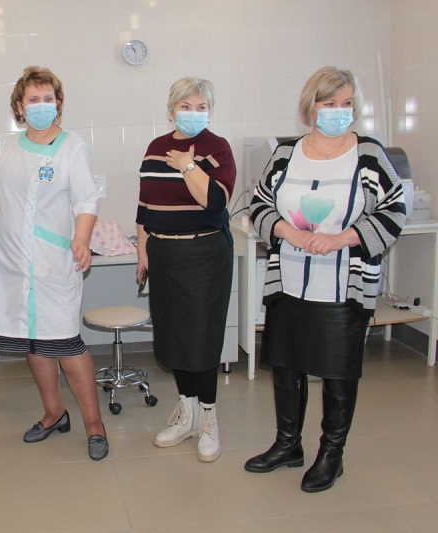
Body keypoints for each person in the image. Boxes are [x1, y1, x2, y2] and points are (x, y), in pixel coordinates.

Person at [244, 67, 406, 492]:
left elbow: (394, 211)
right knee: (286, 364)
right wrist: (289, 232)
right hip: (289, 280)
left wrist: (342, 239)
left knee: (338, 371)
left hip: (343, 284)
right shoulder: (286, 153)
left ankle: (332, 454)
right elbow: (259, 204)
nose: (339, 111)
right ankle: (287, 444)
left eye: (346, 103)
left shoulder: (368, 154)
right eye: (330, 103)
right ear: (311, 106)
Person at [0, 66, 108, 460]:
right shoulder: (7, 148)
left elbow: (86, 201)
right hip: (11, 261)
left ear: (58, 103)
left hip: (53, 260)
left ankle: (94, 424)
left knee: (66, 343)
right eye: (32, 99)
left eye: (47, 98)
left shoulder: (71, 146)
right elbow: (0, 206)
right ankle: (54, 413)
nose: (40, 105)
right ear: (20, 106)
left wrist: (82, 239)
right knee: (33, 341)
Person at [136, 76, 236, 462]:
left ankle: (208, 418)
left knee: (201, 337)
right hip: (163, 254)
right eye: (186, 106)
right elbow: (144, 207)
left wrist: (188, 164)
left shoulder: (217, 148)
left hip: (204, 254)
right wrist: (143, 252)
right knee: (175, 337)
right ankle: (187, 414)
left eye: (201, 107)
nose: (193, 113)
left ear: (209, 112)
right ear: (171, 109)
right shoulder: (155, 148)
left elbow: (215, 201)